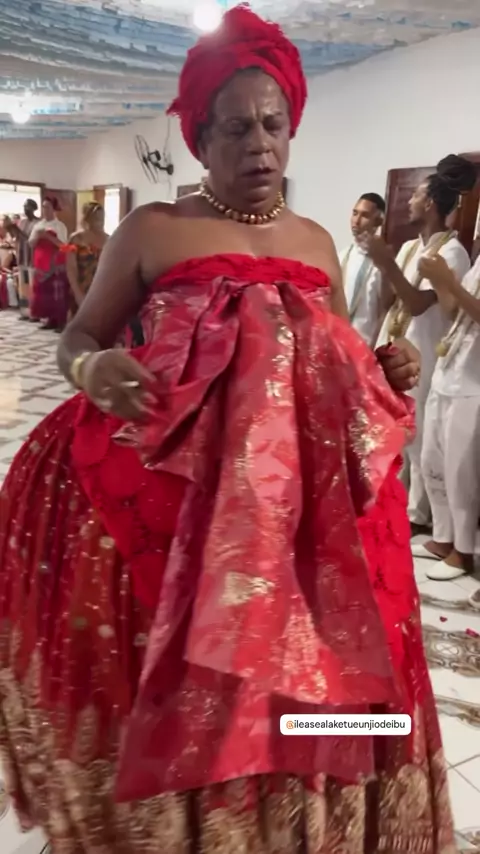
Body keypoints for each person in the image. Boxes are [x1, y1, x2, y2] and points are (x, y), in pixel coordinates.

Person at [0, 8, 453, 853]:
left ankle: (288, 815)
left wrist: (383, 368)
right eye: (237, 128)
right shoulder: (153, 229)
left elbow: (331, 357)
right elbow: (79, 336)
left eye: (274, 125)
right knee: (188, 661)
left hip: (299, 503)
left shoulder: (316, 241)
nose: (260, 146)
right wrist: (92, 370)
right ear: (200, 139)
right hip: (181, 488)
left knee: (313, 666)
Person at [364, 158, 474, 534]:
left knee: (418, 434)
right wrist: (385, 267)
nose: (409, 201)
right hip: (397, 343)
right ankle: (394, 502)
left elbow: (417, 303)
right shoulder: (412, 247)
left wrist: (386, 264)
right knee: (392, 429)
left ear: (429, 203)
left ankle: (418, 514)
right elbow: (391, 299)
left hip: (426, 351)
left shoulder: (452, 253)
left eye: (415, 195)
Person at [410, 252, 480, 581]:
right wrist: (441, 283)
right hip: (448, 368)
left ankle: (463, 552)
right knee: (431, 460)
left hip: (473, 381)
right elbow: (453, 311)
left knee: (460, 472)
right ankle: (442, 538)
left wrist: (450, 282)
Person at [338, 192, 386, 346]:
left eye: (364, 215)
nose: (356, 221)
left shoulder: (383, 263)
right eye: (354, 213)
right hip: (337, 342)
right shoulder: (343, 255)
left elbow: (384, 311)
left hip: (364, 345)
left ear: (378, 221)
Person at [29, 196, 69, 331]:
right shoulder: (38, 225)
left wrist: (48, 237)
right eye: (43, 207)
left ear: (54, 209)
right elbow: (31, 243)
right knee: (44, 294)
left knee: (56, 294)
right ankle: (49, 320)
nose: (45, 210)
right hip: (40, 263)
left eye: (47, 207)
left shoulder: (60, 226)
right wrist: (37, 236)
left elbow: (64, 246)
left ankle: (60, 322)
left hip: (55, 264)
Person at [64, 201, 109, 315]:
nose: (100, 221)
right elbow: (70, 268)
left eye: (102, 217)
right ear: (88, 218)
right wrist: (78, 294)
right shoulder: (75, 238)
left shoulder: (110, 240)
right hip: (82, 289)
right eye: (96, 217)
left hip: (103, 292)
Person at [4, 199, 40, 320]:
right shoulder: (22, 222)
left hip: (32, 257)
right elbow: (16, 236)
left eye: (27, 207)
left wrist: (20, 232)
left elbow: (32, 239)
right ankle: (25, 312)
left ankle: (35, 312)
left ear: (34, 209)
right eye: (24, 207)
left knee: (32, 285)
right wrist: (10, 229)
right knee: (23, 285)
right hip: (22, 256)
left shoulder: (38, 223)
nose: (25, 209)